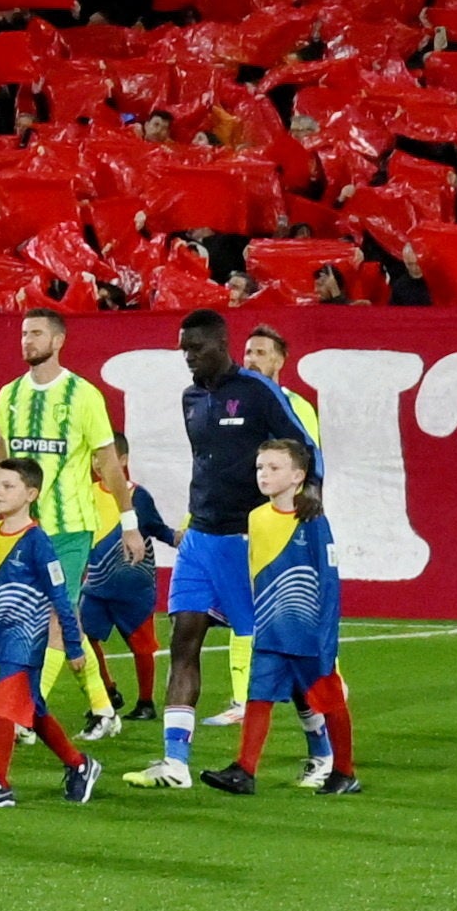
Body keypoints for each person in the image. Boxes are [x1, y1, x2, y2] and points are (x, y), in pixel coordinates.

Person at [139, 308, 310, 791]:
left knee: (279, 649)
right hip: (200, 537)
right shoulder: (191, 398)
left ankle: (322, 750)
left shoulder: (257, 392)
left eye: (195, 348)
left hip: (246, 539)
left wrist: (305, 502)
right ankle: (175, 762)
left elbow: (303, 448)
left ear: (220, 343)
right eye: (183, 349)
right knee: (184, 638)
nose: (188, 357)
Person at [0, 460, 101, 810]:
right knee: (33, 709)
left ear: (31, 494)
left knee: (1, 705)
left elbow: (60, 596)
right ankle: (79, 764)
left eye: (8, 486)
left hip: (28, 638)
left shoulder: (38, 541)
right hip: (1, 634)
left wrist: (73, 646)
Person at [0, 307, 121, 741]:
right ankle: (103, 708)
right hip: (26, 530)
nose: (27, 340)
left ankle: (24, 712)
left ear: (58, 340)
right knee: (56, 621)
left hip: (70, 528)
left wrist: (130, 522)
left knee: (49, 619)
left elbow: (108, 462)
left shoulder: (83, 395)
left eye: (37, 333)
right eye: (24, 333)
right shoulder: (9, 395)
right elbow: (1, 457)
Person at [230, 436, 358, 797]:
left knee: (329, 702)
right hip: (270, 631)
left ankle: (345, 772)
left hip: (307, 635)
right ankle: (244, 770)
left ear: (298, 476)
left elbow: (328, 582)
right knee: (258, 697)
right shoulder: (256, 518)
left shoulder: (313, 521)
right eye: (260, 467)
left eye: (274, 468)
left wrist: (327, 640)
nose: (264, 474)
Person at [70, 436, 178, 726]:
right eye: (94, 457)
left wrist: (177, 538)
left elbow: (156, 528)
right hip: (95, 585)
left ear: (123, 460)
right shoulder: (85, 493)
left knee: (141, 646)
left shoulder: (139, 496)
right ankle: (107, 690)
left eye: (104, 457)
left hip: (134, 587)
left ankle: (146, 702)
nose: (98, 463)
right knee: (84, 636)